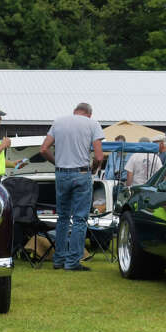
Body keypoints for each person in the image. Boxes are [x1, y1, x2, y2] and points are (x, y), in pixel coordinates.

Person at [40, 102, 104, 272]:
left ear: (75, 111)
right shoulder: (93, 124)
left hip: (61, 174)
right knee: (79, 219)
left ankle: (58, 259)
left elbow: (44, 149)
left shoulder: (58, 122)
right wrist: (94, 169)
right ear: (89, 114)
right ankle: (73, 262)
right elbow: (99, 156)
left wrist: (57, 163)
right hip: (81, 173)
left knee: (62, 217)